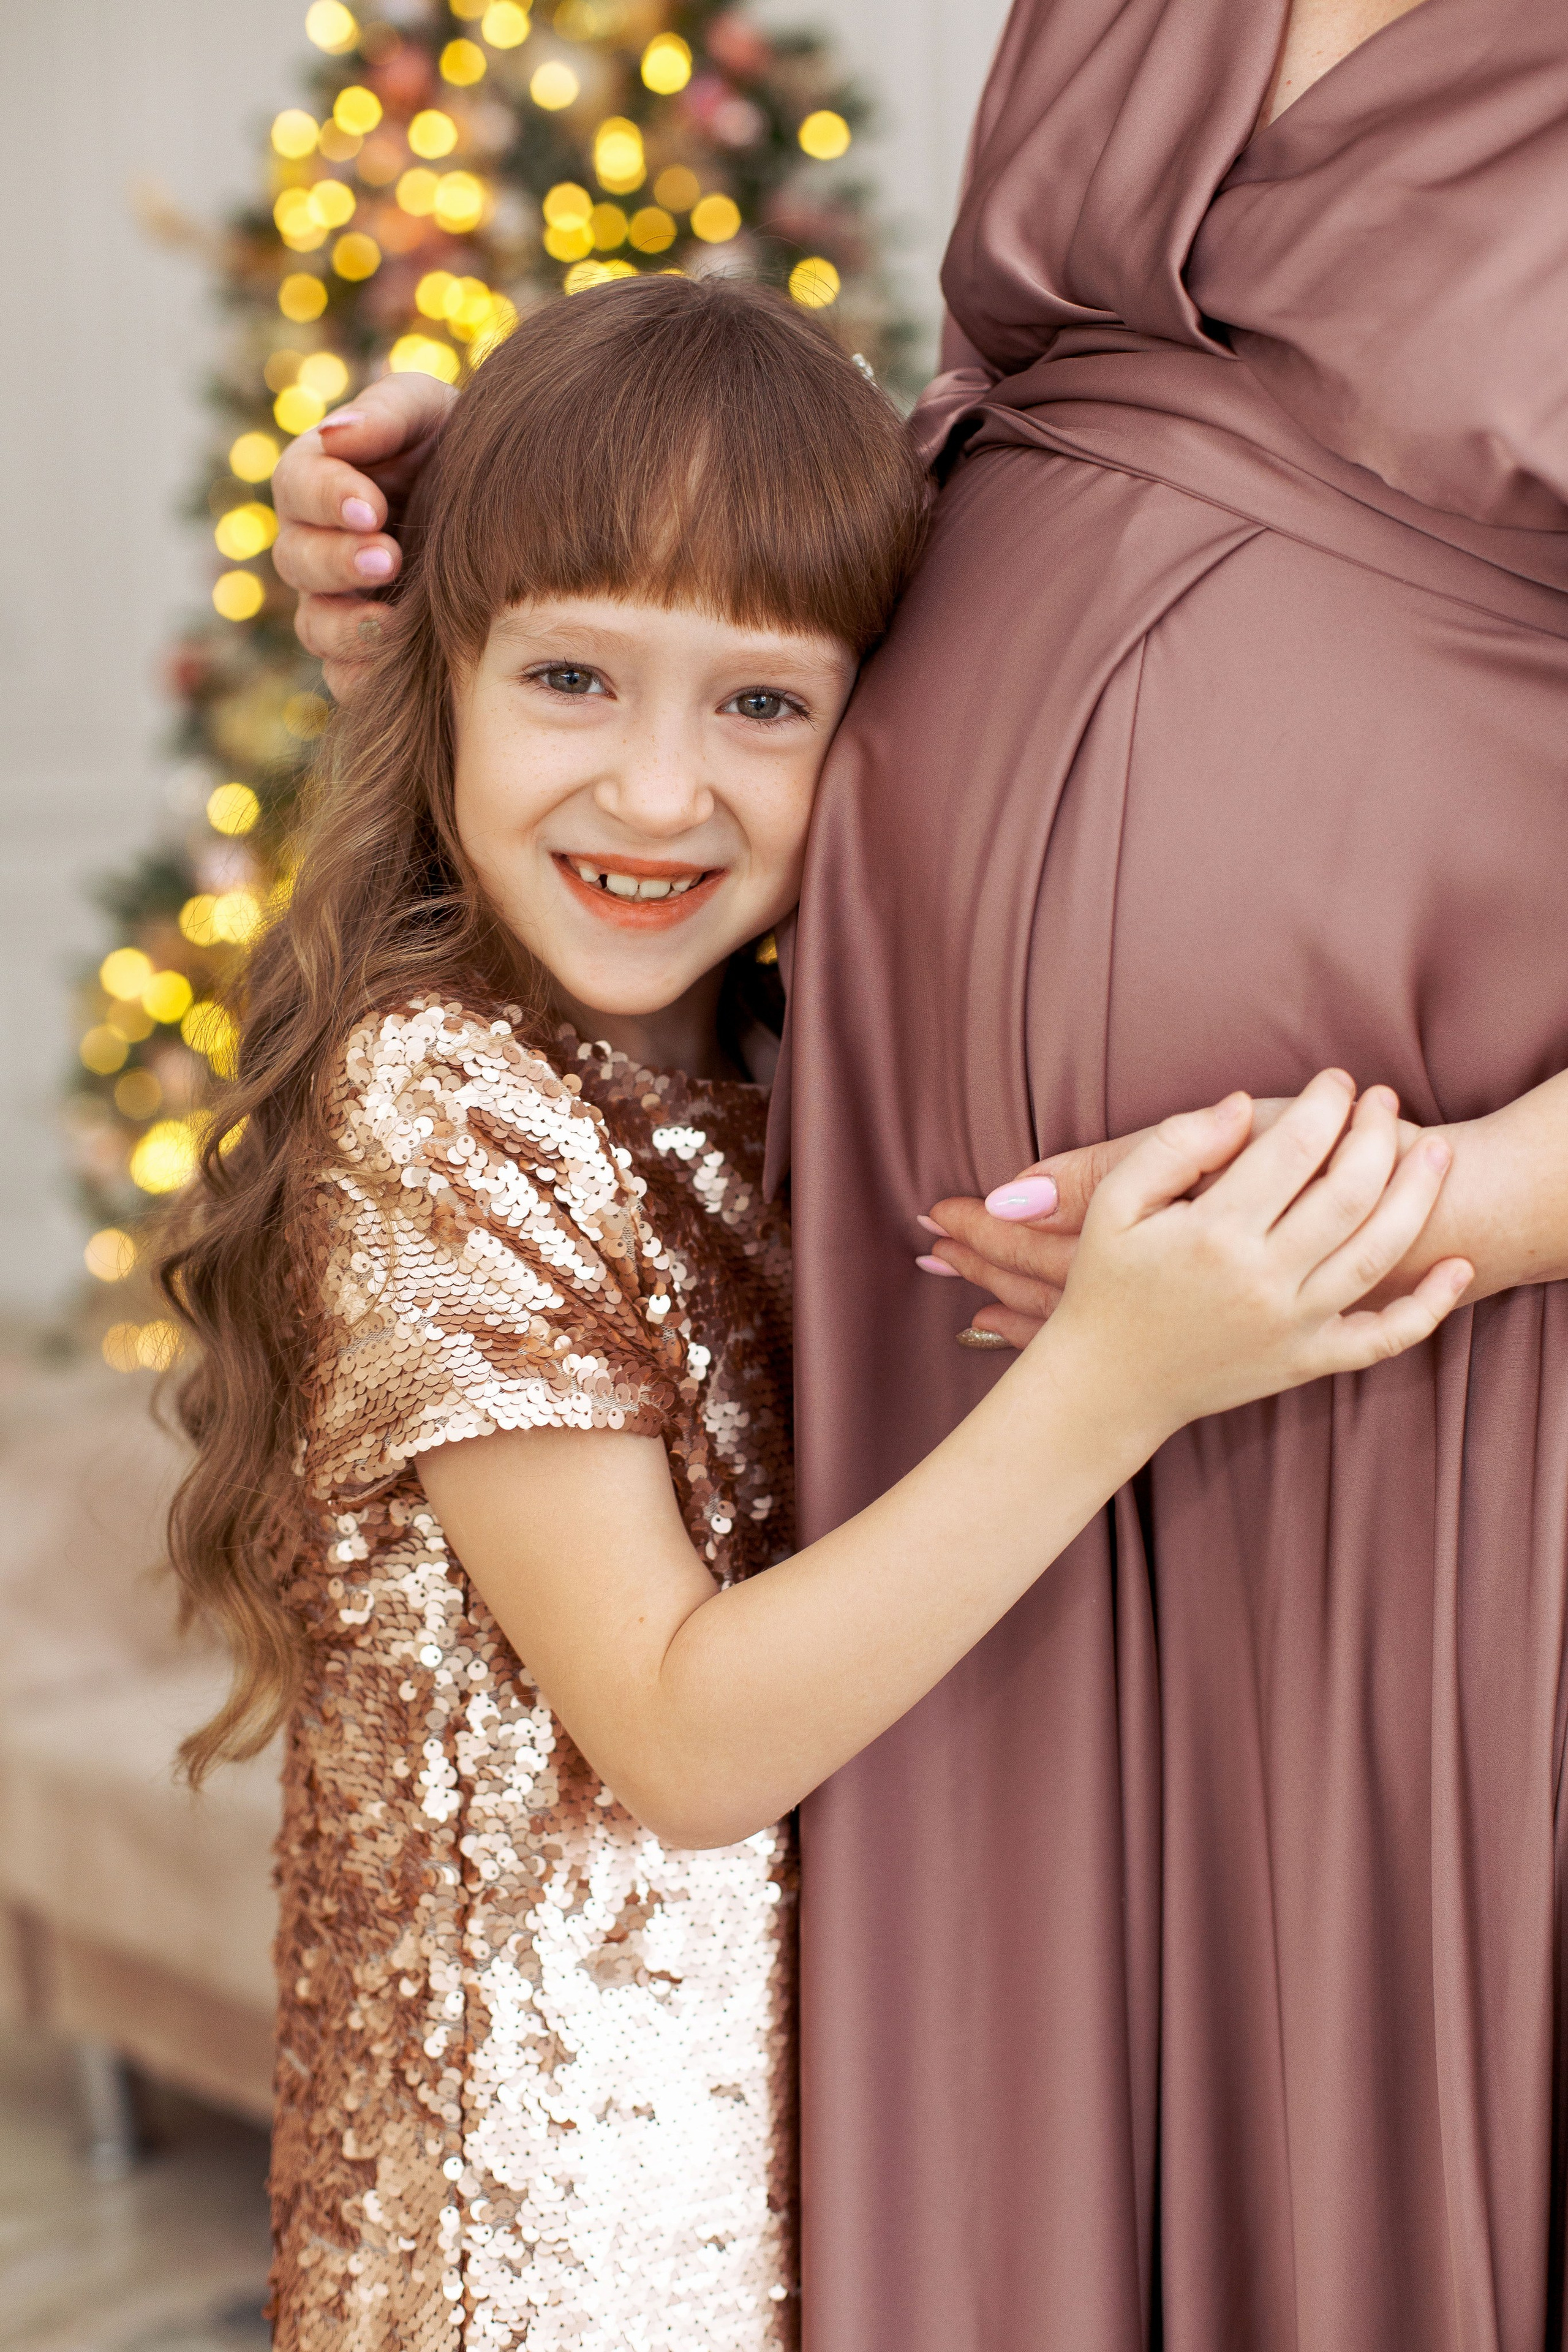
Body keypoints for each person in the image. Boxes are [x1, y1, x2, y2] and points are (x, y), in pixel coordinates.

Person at [270, 1, 1568, 2343]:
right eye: (560, 692)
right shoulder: (477, 1100)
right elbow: (1026, 476)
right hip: (977, 1415)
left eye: (739, 717)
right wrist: (566, 503)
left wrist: (1410, 1225)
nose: (651, 786)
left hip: (1365, 1378)